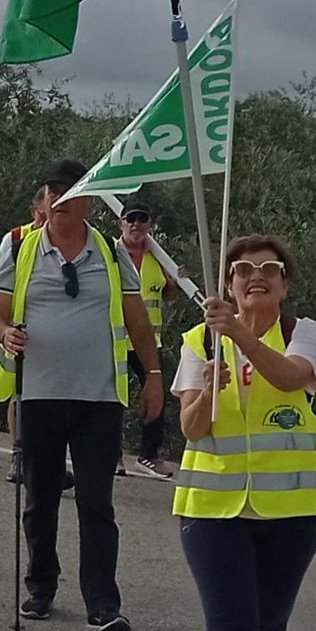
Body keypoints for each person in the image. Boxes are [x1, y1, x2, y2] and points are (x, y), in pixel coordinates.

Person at [172, 234, 316, 631]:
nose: (255, 275)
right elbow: (191, 428)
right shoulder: (198, 341)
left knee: (268, 630)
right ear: (228, 284)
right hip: (213, 510)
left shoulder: (303, 333)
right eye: (242, 269)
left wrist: (239, 336)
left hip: (291, 512)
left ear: (285, 283)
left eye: (268, 268)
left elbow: (290, 378)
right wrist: (207, 389)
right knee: (231, 622)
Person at [0, 160, 162, 631]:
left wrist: (153, 375)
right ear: (44, 200)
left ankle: (102, 606)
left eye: (71, 192)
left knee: (96, 503)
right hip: (38, 394)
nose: (60, 199)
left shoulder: (110, 252)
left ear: (88, 201)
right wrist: (5, 333)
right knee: (40, 499)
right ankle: (41, 587)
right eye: (53, 191)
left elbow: (137, 317)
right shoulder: (18, 246)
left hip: (98, 397)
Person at [118, 203, 185, 479]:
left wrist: (174, 285)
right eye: (130, 219)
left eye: (141, 219)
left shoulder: (158, 257)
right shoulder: (112, 253)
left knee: (156, 395)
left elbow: (164, 293)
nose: (136, 224)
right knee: (112, 397)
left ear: (149, 224)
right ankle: (111, 454)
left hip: (148, 342)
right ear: (121, 224)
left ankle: (149, 456)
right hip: (116, 339)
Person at [1, 185, 50, 484]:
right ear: (34, 211)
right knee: (17, 392)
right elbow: (0, 284)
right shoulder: (16, 239)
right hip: (19, 329)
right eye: (42, 216)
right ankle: (18, 455)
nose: (46, 222)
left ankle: (47, 462)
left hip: (51, 332)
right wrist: (5, 327)